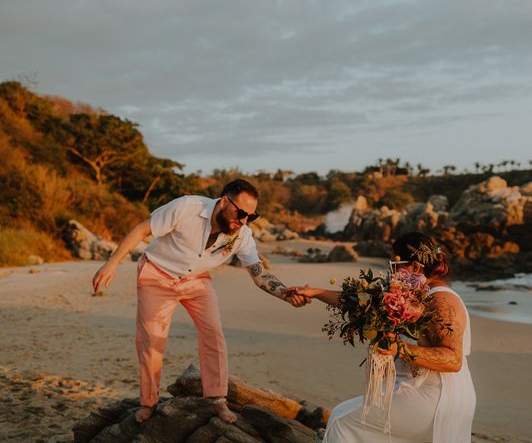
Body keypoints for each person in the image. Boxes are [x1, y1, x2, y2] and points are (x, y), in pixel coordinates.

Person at [91, 179, 308, 424]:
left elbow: (259, 274)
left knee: (213, 334)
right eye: (242, 213)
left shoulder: (241, 234)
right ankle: (148, 402)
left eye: (252, 216)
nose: (245, 220)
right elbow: (143, 229)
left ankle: (217, 400)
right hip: (157, 274)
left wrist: (286, 295)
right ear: (225, 202)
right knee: (151, 340)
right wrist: (112, 263)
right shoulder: (187, 207)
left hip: (196, 280)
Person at [292, 232, 475, 442]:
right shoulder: (411, 292)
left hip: (438, 396)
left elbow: (453, 359)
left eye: (396, 264)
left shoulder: (441, 301)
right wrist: (315, 293)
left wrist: (401, 349)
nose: (392, 271)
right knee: (342, 413)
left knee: (342, 422)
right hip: (417, 390)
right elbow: (360, 302)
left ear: (415, 267)